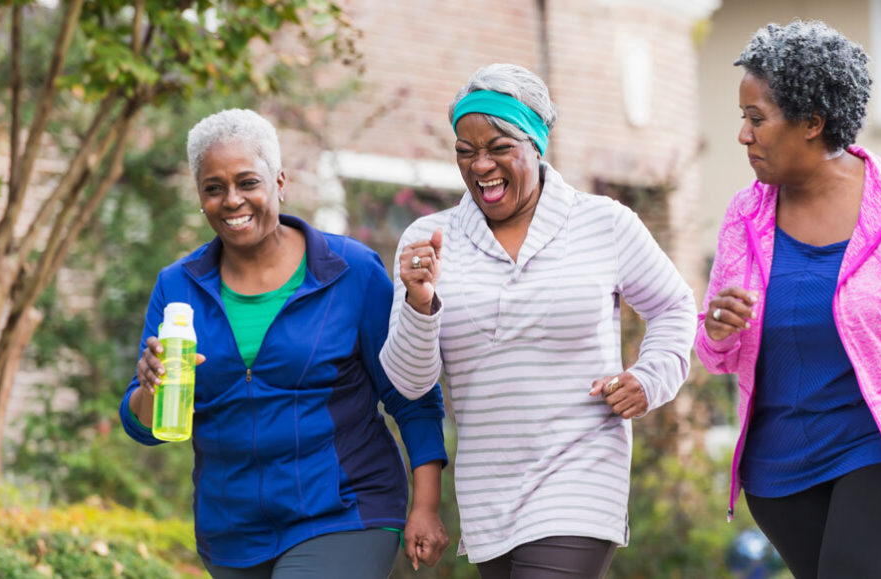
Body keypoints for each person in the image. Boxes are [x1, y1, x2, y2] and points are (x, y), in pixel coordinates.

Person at [379, 63, 697, 578]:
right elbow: (411, 383)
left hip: (581, 473)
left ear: (536, 143)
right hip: (489, 491)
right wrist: (419, 303)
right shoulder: (431, 239)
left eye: (499, 147)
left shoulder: (603, 223)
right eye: (466, 151)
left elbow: (675, 307)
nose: (481, 166)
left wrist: (649, 377)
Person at [696, 20, 881, 579]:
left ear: (812, 122)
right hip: (781, 476)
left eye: (757, 120)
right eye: (742, 120)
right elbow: (718, 358)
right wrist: (715, 330)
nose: (743, 136)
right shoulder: (745, 216)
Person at [120, 109, 449, 579]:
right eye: (214, 188)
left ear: (279, 182)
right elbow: (148, 427)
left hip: (346, 511)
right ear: (200, 197)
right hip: (233, 531)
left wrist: (427, 504)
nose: (232, 200)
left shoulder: (349, 271)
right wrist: (149, 388)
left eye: (247, 182)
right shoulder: (178, 287)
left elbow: (411, 393)